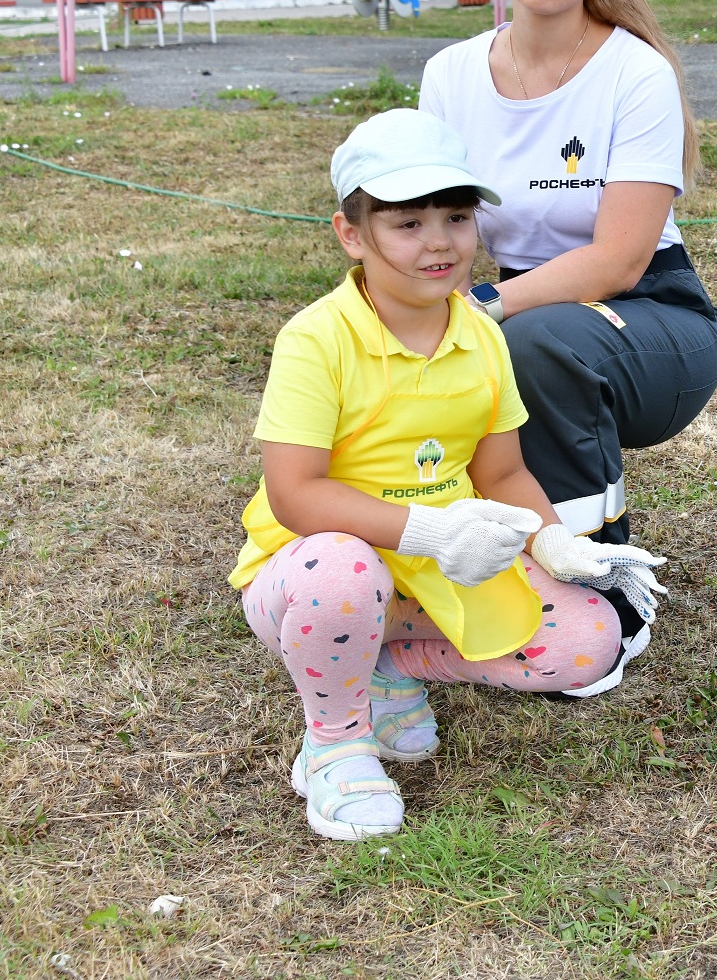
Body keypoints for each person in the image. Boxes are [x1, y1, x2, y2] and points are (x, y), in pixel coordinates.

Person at [229, 107, 667, 842]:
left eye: (457, 217)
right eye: (407, 224)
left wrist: (554, 542)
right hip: (312, 565)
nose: (439, 242)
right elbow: (295, 494)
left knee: (589, 640)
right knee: (342, 576)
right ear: (351, 234)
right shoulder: (315, 339)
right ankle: (335, 742)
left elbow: (502, 472)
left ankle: (382, 656)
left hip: (434, 566)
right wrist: (431, 529)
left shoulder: (482, 337)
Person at [419, 0, 717, 692]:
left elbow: (619, 257)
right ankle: (461, 564)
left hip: (652, 312)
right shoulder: (450, 75)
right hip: (525, 310)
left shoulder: (636, 73)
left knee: (538, 342)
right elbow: (435, 229)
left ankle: (609, 594)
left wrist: (483, 306)